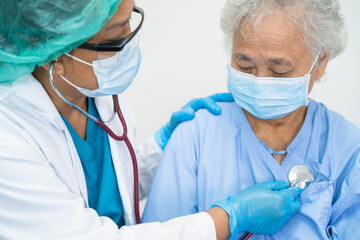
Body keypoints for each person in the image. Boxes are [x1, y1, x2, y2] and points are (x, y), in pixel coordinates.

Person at [0, 0, 304, 239]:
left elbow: (112, 184)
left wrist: (162, 146)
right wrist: (229, 217)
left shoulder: (97, 96)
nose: (129, 41)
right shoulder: (9, 140)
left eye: (130, 19)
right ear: (54, 53)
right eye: (113, 37)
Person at [142, 0, 360, 239]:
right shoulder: (196, 134)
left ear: (320, 62)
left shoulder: (348, 149)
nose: (259, 80)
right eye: (244, 65)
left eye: (279, 71)